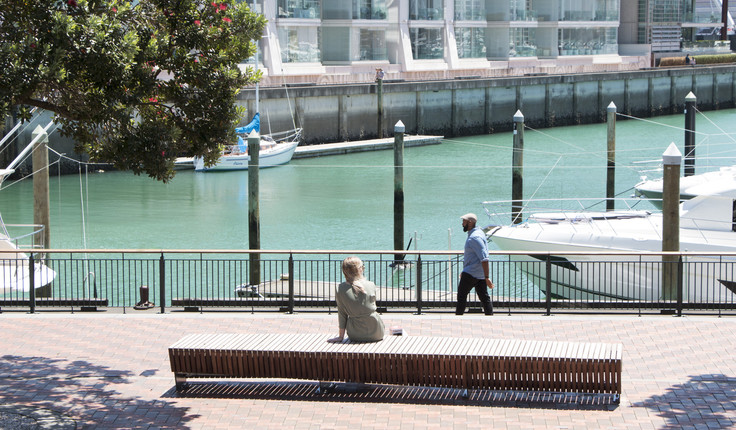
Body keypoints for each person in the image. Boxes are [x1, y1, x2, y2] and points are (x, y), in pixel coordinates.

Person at [329, 256, 385, 342]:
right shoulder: (371, 285)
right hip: (377, 331)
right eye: (363, 267)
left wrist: (341, 336)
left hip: (355, 334)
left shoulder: (340, 289)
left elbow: (342, 314)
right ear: (360, 269)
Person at [456, 213, 495, 315]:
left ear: (470, 222)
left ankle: (458, 317)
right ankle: (490, 317)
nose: (462, 224)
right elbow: (476, 257)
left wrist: (487, 277)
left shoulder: (474, 237)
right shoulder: (479, 233)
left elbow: (484, 258)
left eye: (464, 221)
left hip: (471, 273)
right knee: (484, 298)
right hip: (477, 273)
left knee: (461, 296)